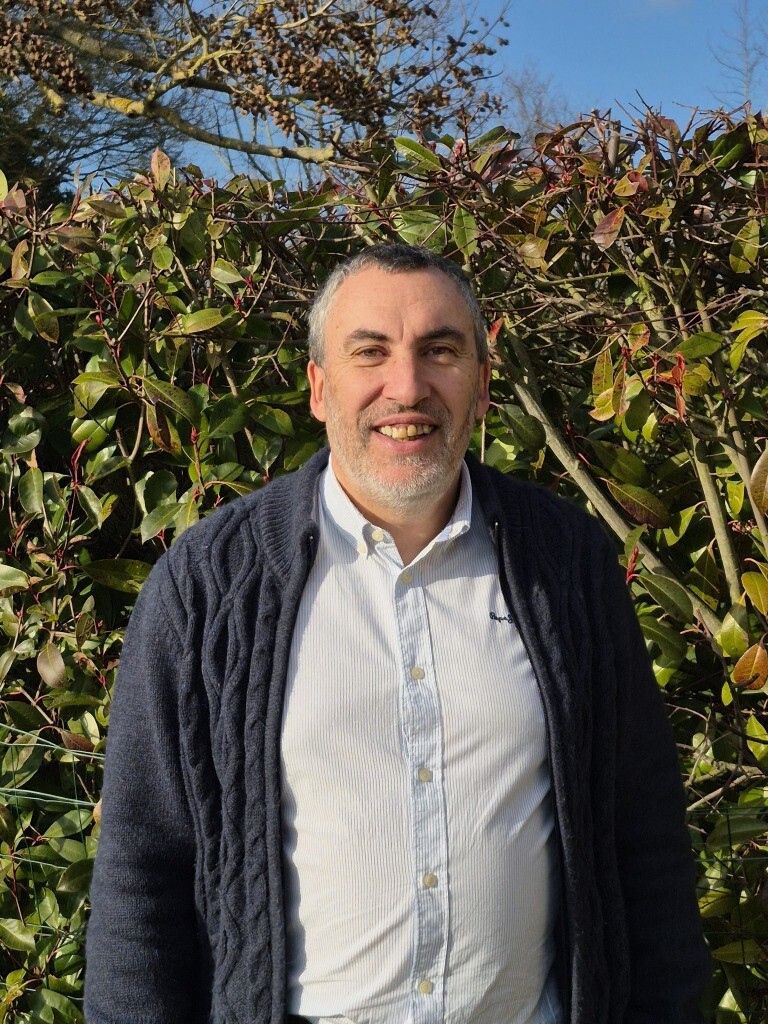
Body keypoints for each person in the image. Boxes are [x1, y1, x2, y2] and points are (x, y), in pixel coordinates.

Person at [84, 243, 710, 1024]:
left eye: (440, 351)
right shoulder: (207, 586)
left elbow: (643, 841)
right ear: (319, 387)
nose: (406, 387)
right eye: (369, 352)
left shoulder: (569, 566)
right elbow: (143, 872)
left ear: (480, 383)